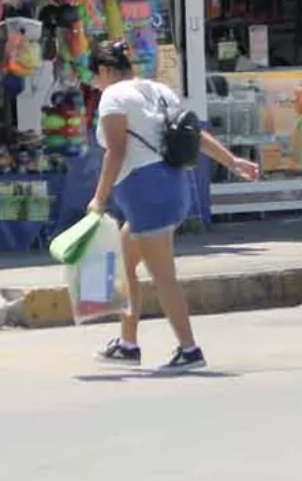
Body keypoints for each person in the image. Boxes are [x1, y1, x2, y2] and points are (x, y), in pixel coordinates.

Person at [86, 39, 259, 373]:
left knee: (163, 276)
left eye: (95, 76)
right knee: (125, 261)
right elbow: (193, 134)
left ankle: (189, 350)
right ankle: (127, 344)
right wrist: (232, 160)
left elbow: (116, 152)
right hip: (173, 186)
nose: (95, 84)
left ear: (105, 70)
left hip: (146, 193)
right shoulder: (159, 90)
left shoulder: (113, 97)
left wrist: (98, 199)